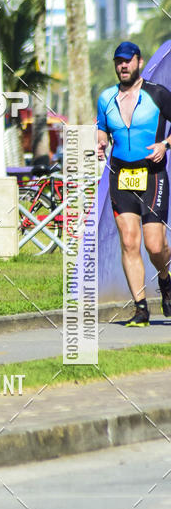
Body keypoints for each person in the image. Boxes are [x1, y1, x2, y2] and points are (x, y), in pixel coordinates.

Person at [97, 40, 171, 326]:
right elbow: (102, 129)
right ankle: (141, 308)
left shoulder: (158, 94)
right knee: (129, 243)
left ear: (139, 62)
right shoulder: (106, 98)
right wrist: (101, 141)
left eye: (128, 60)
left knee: (154, 246)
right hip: (121, 176)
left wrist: (165, 144)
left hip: (152, 175)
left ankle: (165, 280)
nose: (123, 66)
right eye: (119, 61)